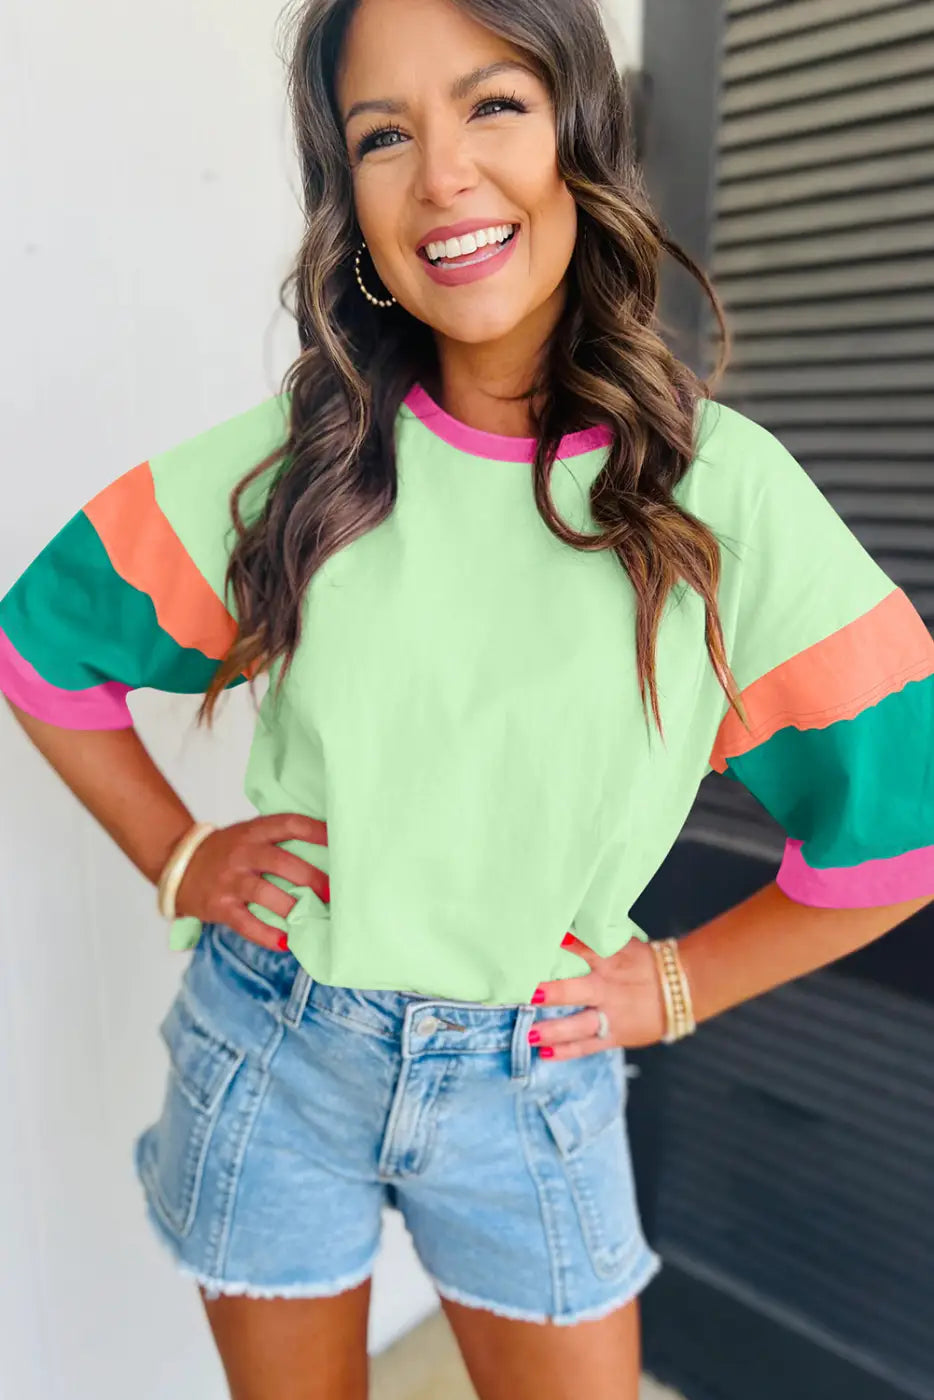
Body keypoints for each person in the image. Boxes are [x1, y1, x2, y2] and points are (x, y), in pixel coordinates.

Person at [2, 0, 932, 1395]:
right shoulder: (305, 460)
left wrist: (675, 987)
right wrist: (180, 855)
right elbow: (45, 647)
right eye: (383, 134)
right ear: (348, 199)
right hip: (275, 1041)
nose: (441, 172)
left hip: (529, 1080)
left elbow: (894, 832)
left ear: (581, 132)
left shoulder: (718, 497)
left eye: (492, 104)